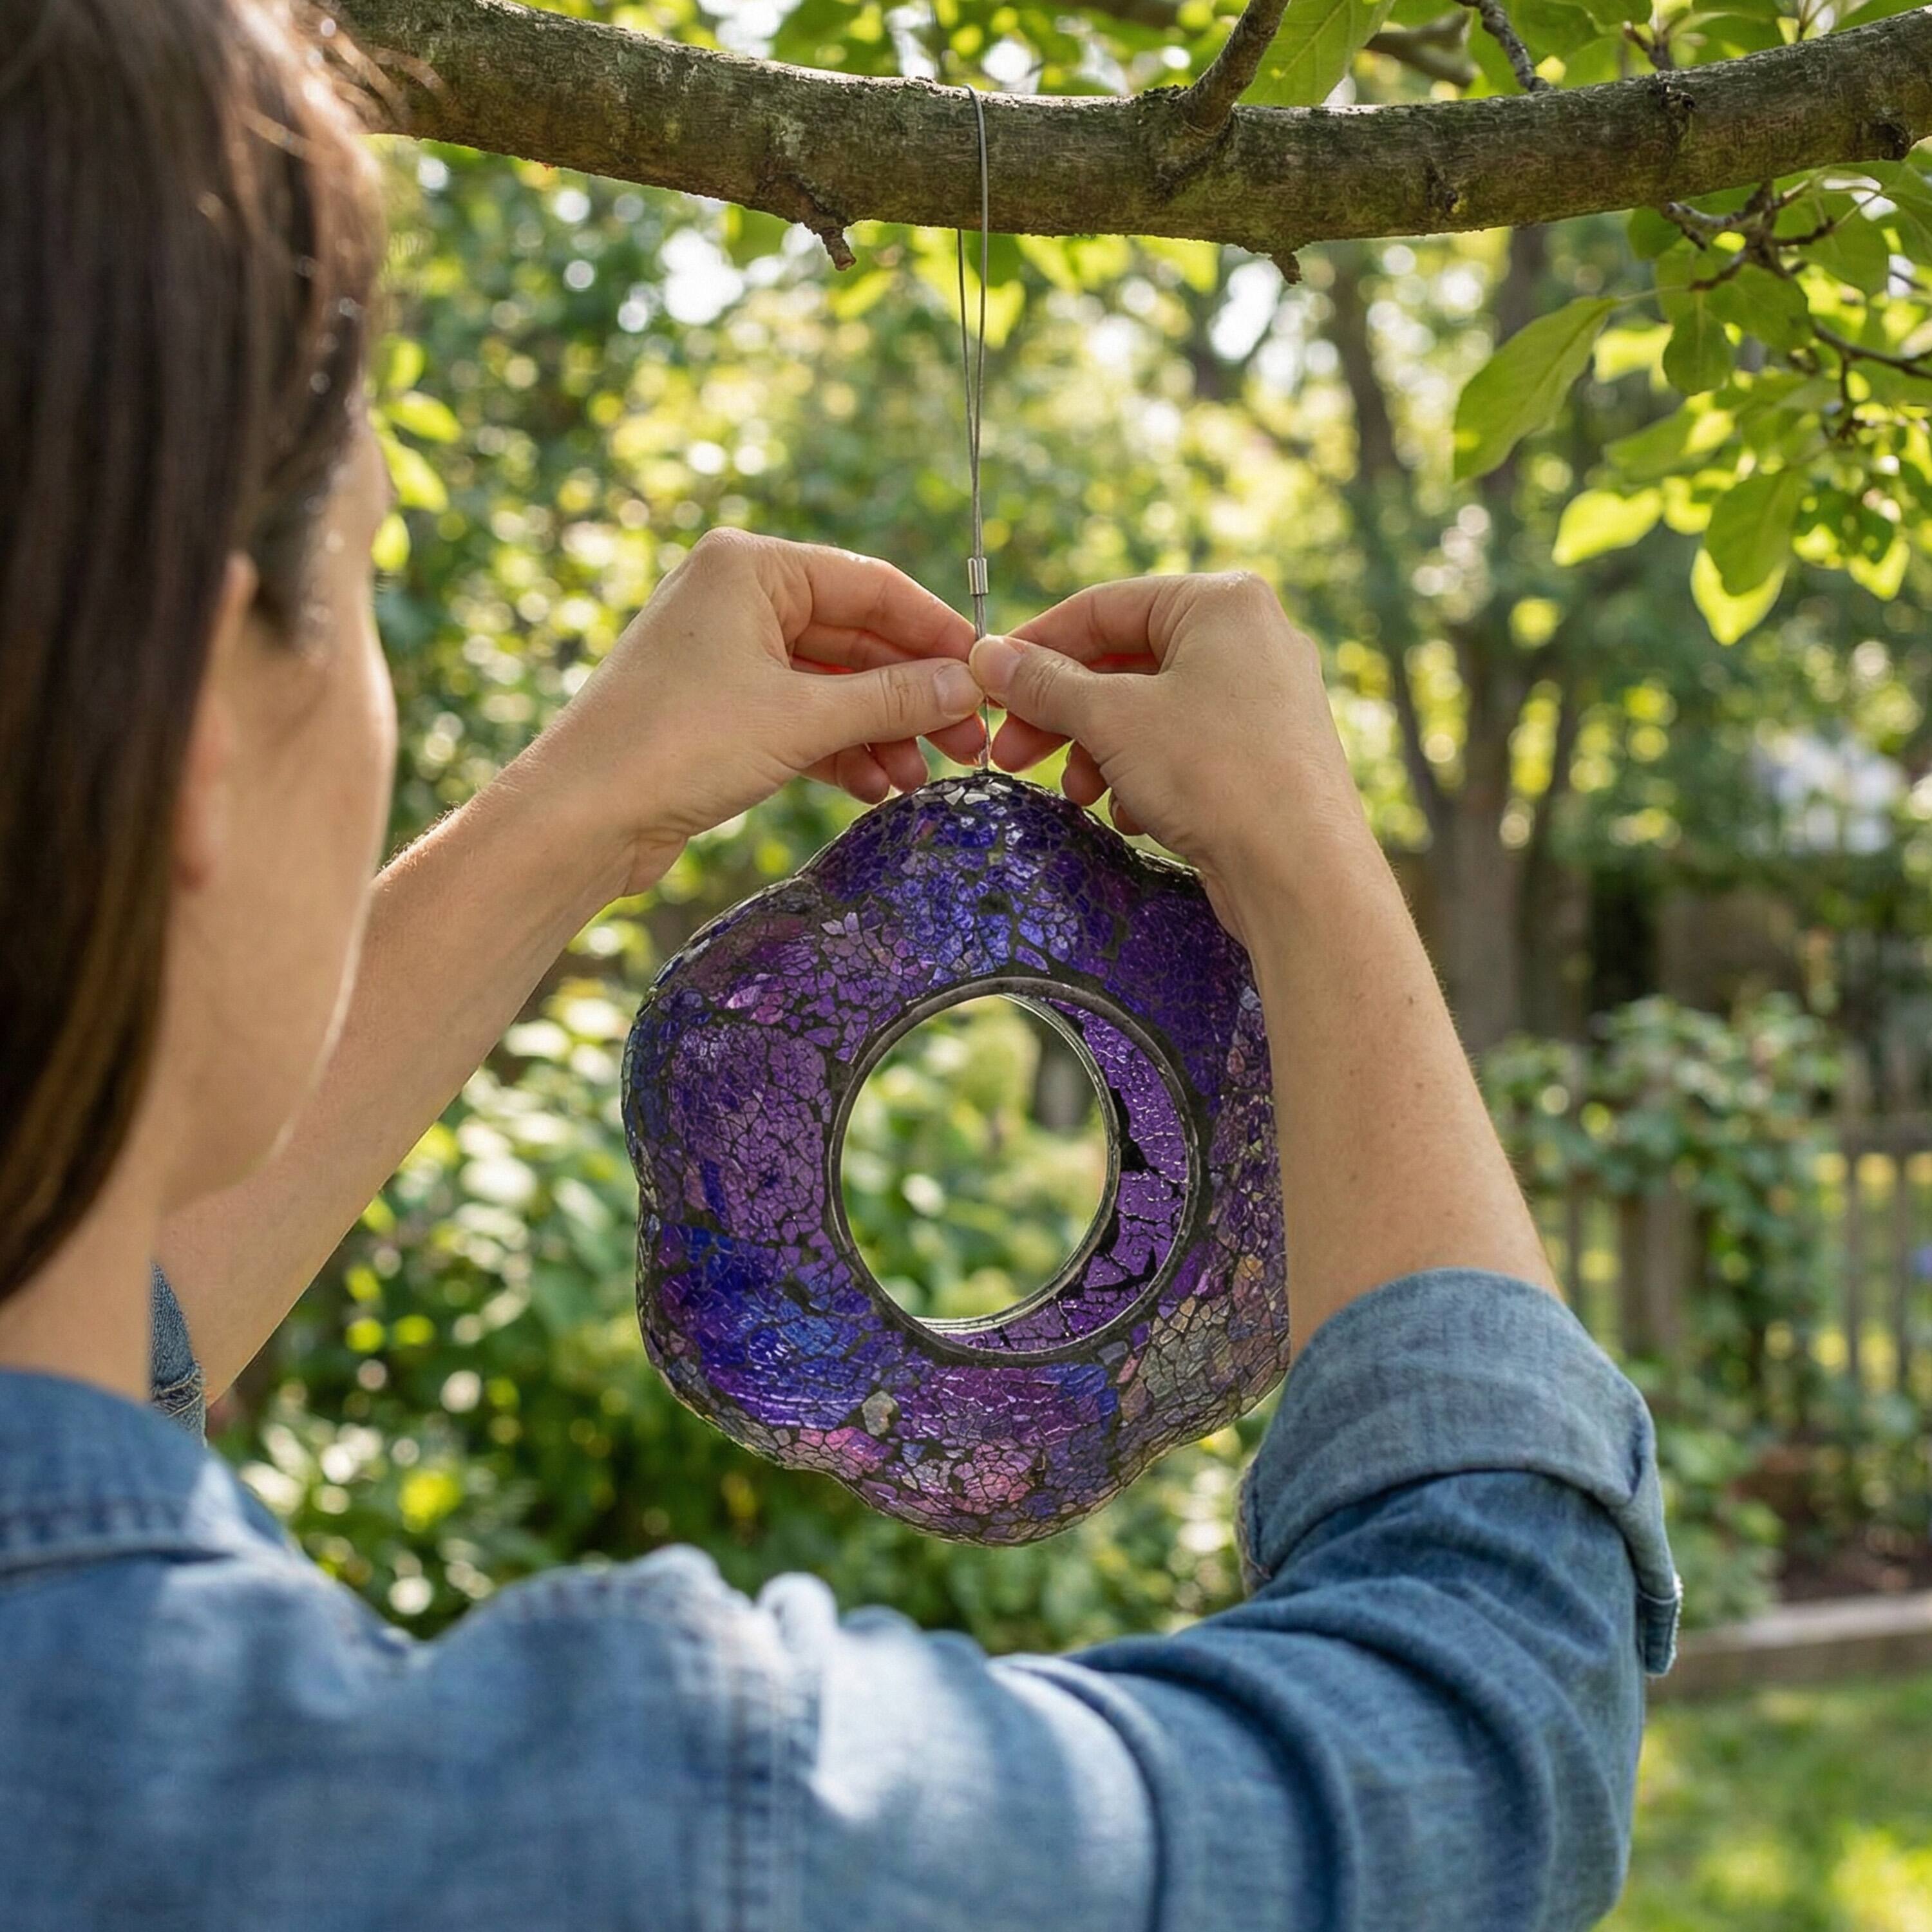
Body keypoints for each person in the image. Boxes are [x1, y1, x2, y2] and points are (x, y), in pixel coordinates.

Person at [0, 2, 1678, 1927]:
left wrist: (584, 822)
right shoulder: (656, 1837)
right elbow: (1486, 1729)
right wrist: (1310, 861)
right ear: (205, 716)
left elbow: (76, 1356)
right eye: (357, 584)